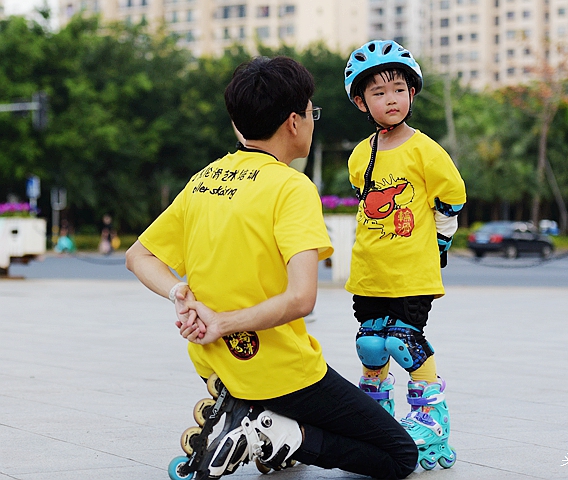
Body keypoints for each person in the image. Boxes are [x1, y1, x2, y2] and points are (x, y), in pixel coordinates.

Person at [125, 56, 417, 480]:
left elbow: (138, 256)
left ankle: (256, 419)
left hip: (215, 360)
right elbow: (301, 298)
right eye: (311, 112)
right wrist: (223, 322)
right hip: (279, 369)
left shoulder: (206, 179)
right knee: (398, 455)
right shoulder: (292, 188)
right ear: (294, 122)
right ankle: (277, 435)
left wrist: (180, 295)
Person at [343, 40, 467, 470]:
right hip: (369, 272)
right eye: (378, 92)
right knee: (371, 344)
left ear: (412, 93)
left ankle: (431, 419)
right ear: (362, 102)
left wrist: (440, 246)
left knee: (404, 341)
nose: (390, 99)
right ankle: (374, 415)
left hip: (412, 272)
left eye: (398, 88)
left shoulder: (426, 150)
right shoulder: (360, 155)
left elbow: (451, 200)